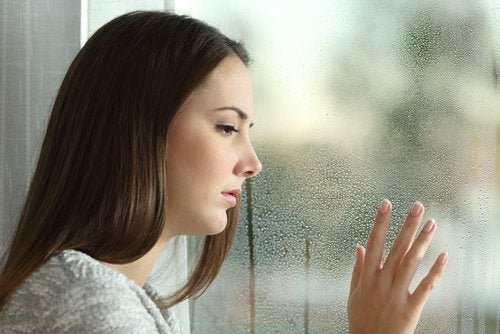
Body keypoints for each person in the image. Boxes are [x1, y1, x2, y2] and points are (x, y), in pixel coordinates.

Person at [0, 11, 448, 333]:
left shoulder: (113, 299)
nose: (252, 163)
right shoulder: (87, 305)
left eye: (247, 130)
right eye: (227, 127)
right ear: (137, 128)